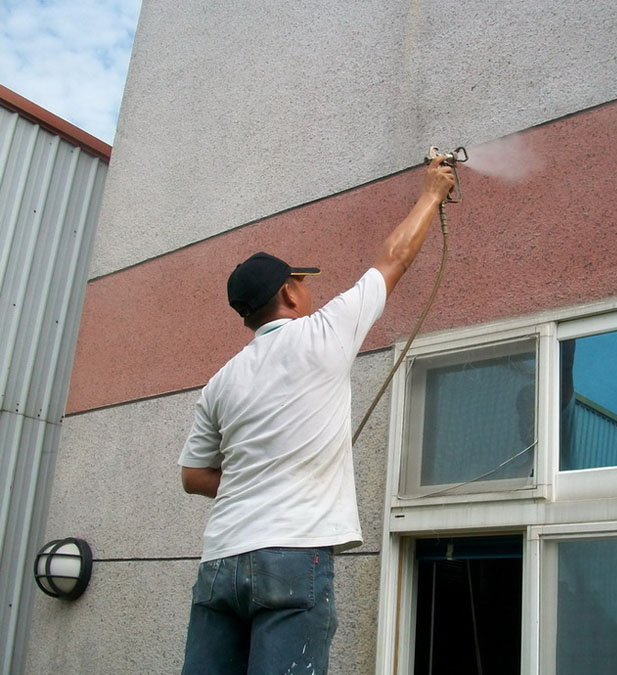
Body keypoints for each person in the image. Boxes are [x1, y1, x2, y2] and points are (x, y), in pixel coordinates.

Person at [178, 156, 455, 674]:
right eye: (303, 283)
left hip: (219, 562)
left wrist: (255, 479)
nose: (310, 291)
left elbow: (194, 477)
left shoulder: (220, 380)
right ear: (288, 291)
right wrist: (432, 193)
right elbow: (393, 258)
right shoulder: (325, 332)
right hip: (290, 555)